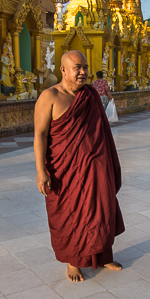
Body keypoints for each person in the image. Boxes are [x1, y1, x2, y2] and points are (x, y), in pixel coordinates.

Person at [34, 51, 124, 283]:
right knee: (71, 214)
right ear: (63, 70)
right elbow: (40, 134)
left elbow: (100, 131)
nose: (83, 72)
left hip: (95, 167)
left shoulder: (90, 95)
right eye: (77, 67)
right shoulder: (49, 96)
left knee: (101, 210)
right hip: (65, 170)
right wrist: (41, 171)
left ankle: (103, 255)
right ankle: (73, 262)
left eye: (85, 67)